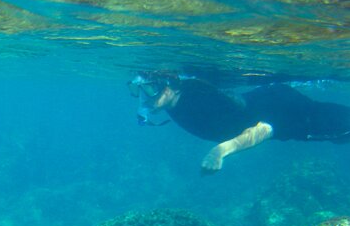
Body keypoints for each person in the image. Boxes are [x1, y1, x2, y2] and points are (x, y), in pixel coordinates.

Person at [129, 72, 350, 172]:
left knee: (341, 131)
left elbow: (265, 128)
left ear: (168, 86)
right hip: (271, 100)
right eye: (137, 90)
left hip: (286, 113)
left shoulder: (196, 101)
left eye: (150, 88)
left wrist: (220, 151)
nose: (145, 97)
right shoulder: (176, 101)